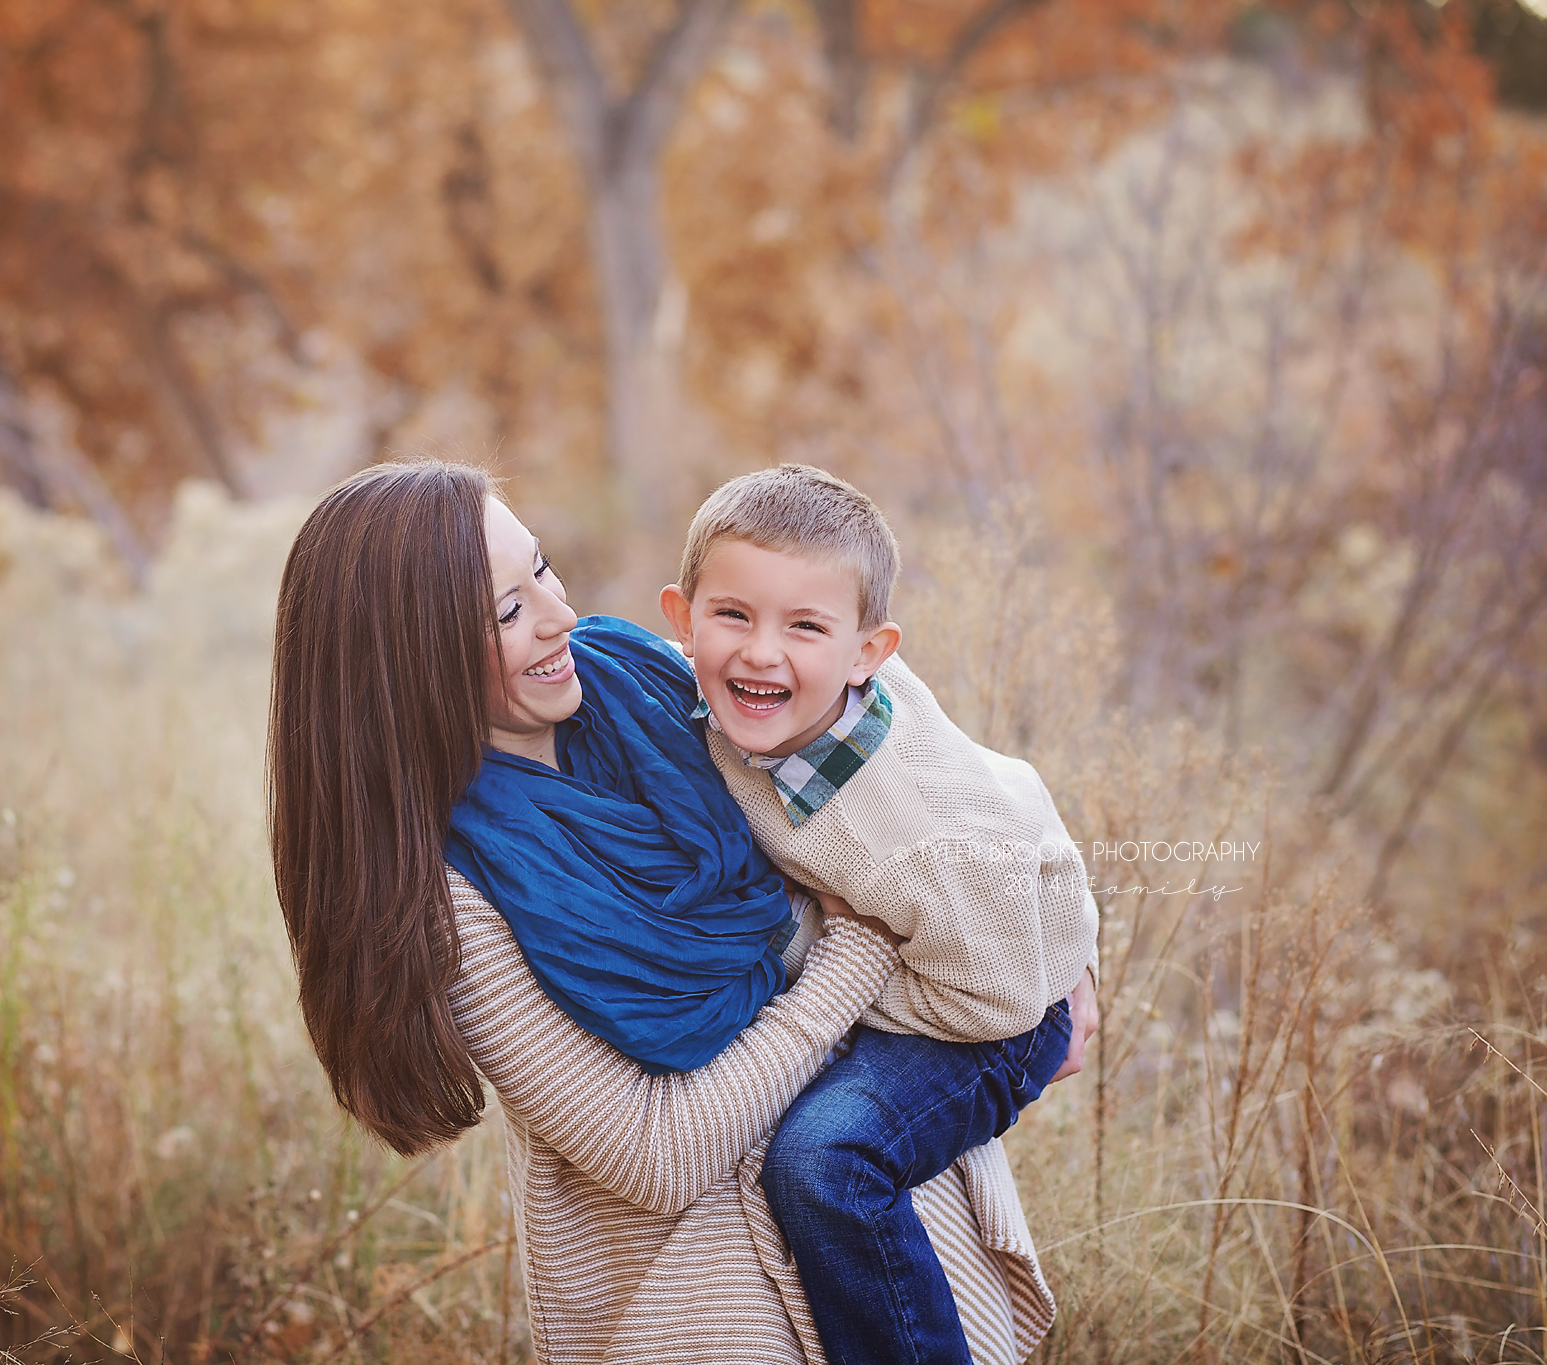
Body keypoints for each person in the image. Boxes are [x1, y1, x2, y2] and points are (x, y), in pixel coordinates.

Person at [267, 460, 1081, 1365]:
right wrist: (857, 950)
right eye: (506, 610)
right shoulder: (446, 900)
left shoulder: (650, 683)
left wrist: (1067, 954)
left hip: (896, 1249)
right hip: (701, 1302)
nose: (557, 615)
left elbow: (953, 780)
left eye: (540, 569)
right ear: (405, 657)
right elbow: (656, 1154)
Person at [657, 464, 1101, 1365]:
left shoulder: (915, 833)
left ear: (869, 651)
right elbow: (1009, 775)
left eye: (805, 628)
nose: (759, 652)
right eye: (733, 614)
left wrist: (824, 972)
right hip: (958, 939)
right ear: (681, 616)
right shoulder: (729, 700)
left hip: (999, 1003)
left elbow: (996, 992)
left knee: (823, 1159)